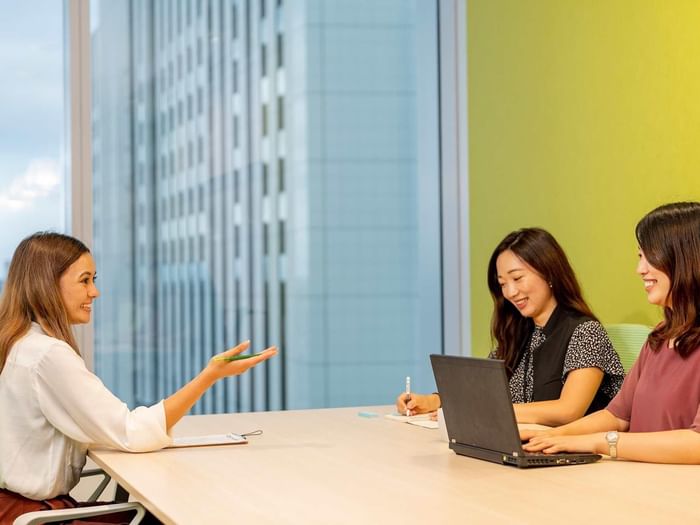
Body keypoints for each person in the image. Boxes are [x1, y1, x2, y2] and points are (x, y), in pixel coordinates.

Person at [0, 232, 277, 523]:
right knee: (175, 515)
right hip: (36, 517)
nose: (94, 292)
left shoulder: (17, 343)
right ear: (48, 284)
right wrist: (209, 376)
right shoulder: (48, 355)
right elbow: (132, 432)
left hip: (18, 512)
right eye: (85, 280)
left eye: (94, 280)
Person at [522, 202, 700, 463]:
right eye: (640, 256)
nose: (640, 269)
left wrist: (601, 442)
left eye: (650, 256)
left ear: (686, 258)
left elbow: (697, 443)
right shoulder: (660, 336)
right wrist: (551, 437)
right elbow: (617, 416)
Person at [396, 227, 624, 426]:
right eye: (503, 284)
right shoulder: (518, 332)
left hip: (572, 455)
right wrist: (432, 401)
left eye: (517, 278)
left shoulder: (585, 332)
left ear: (549, 273)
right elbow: (481, 390)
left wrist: (485, 412)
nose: (510, 292)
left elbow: (568, 411)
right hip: (521, 447)